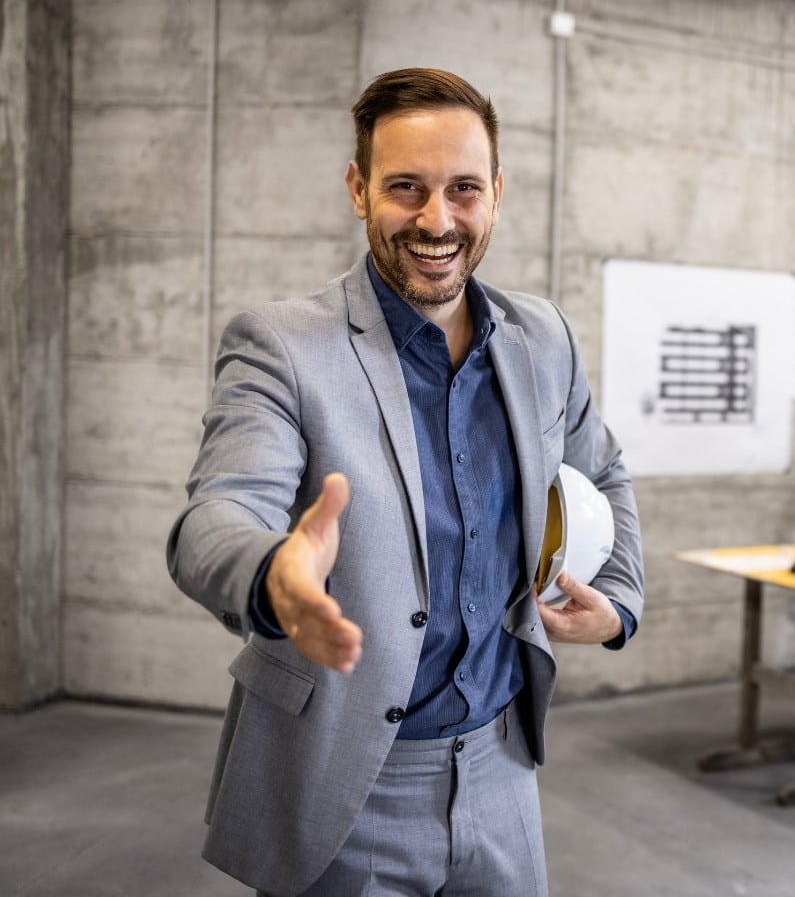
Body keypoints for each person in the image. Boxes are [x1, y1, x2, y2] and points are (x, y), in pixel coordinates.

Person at [166, 68, 644, 897]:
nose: (437, 220)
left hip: (502, 765)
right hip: (348, 777)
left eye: (464, 189)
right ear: (359, 189)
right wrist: (275, 577)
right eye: (405, 188)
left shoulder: (543, 338)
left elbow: (602, 467)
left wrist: (622, 599)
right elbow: (217, 515)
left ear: (496, 193)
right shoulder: (282, 346)